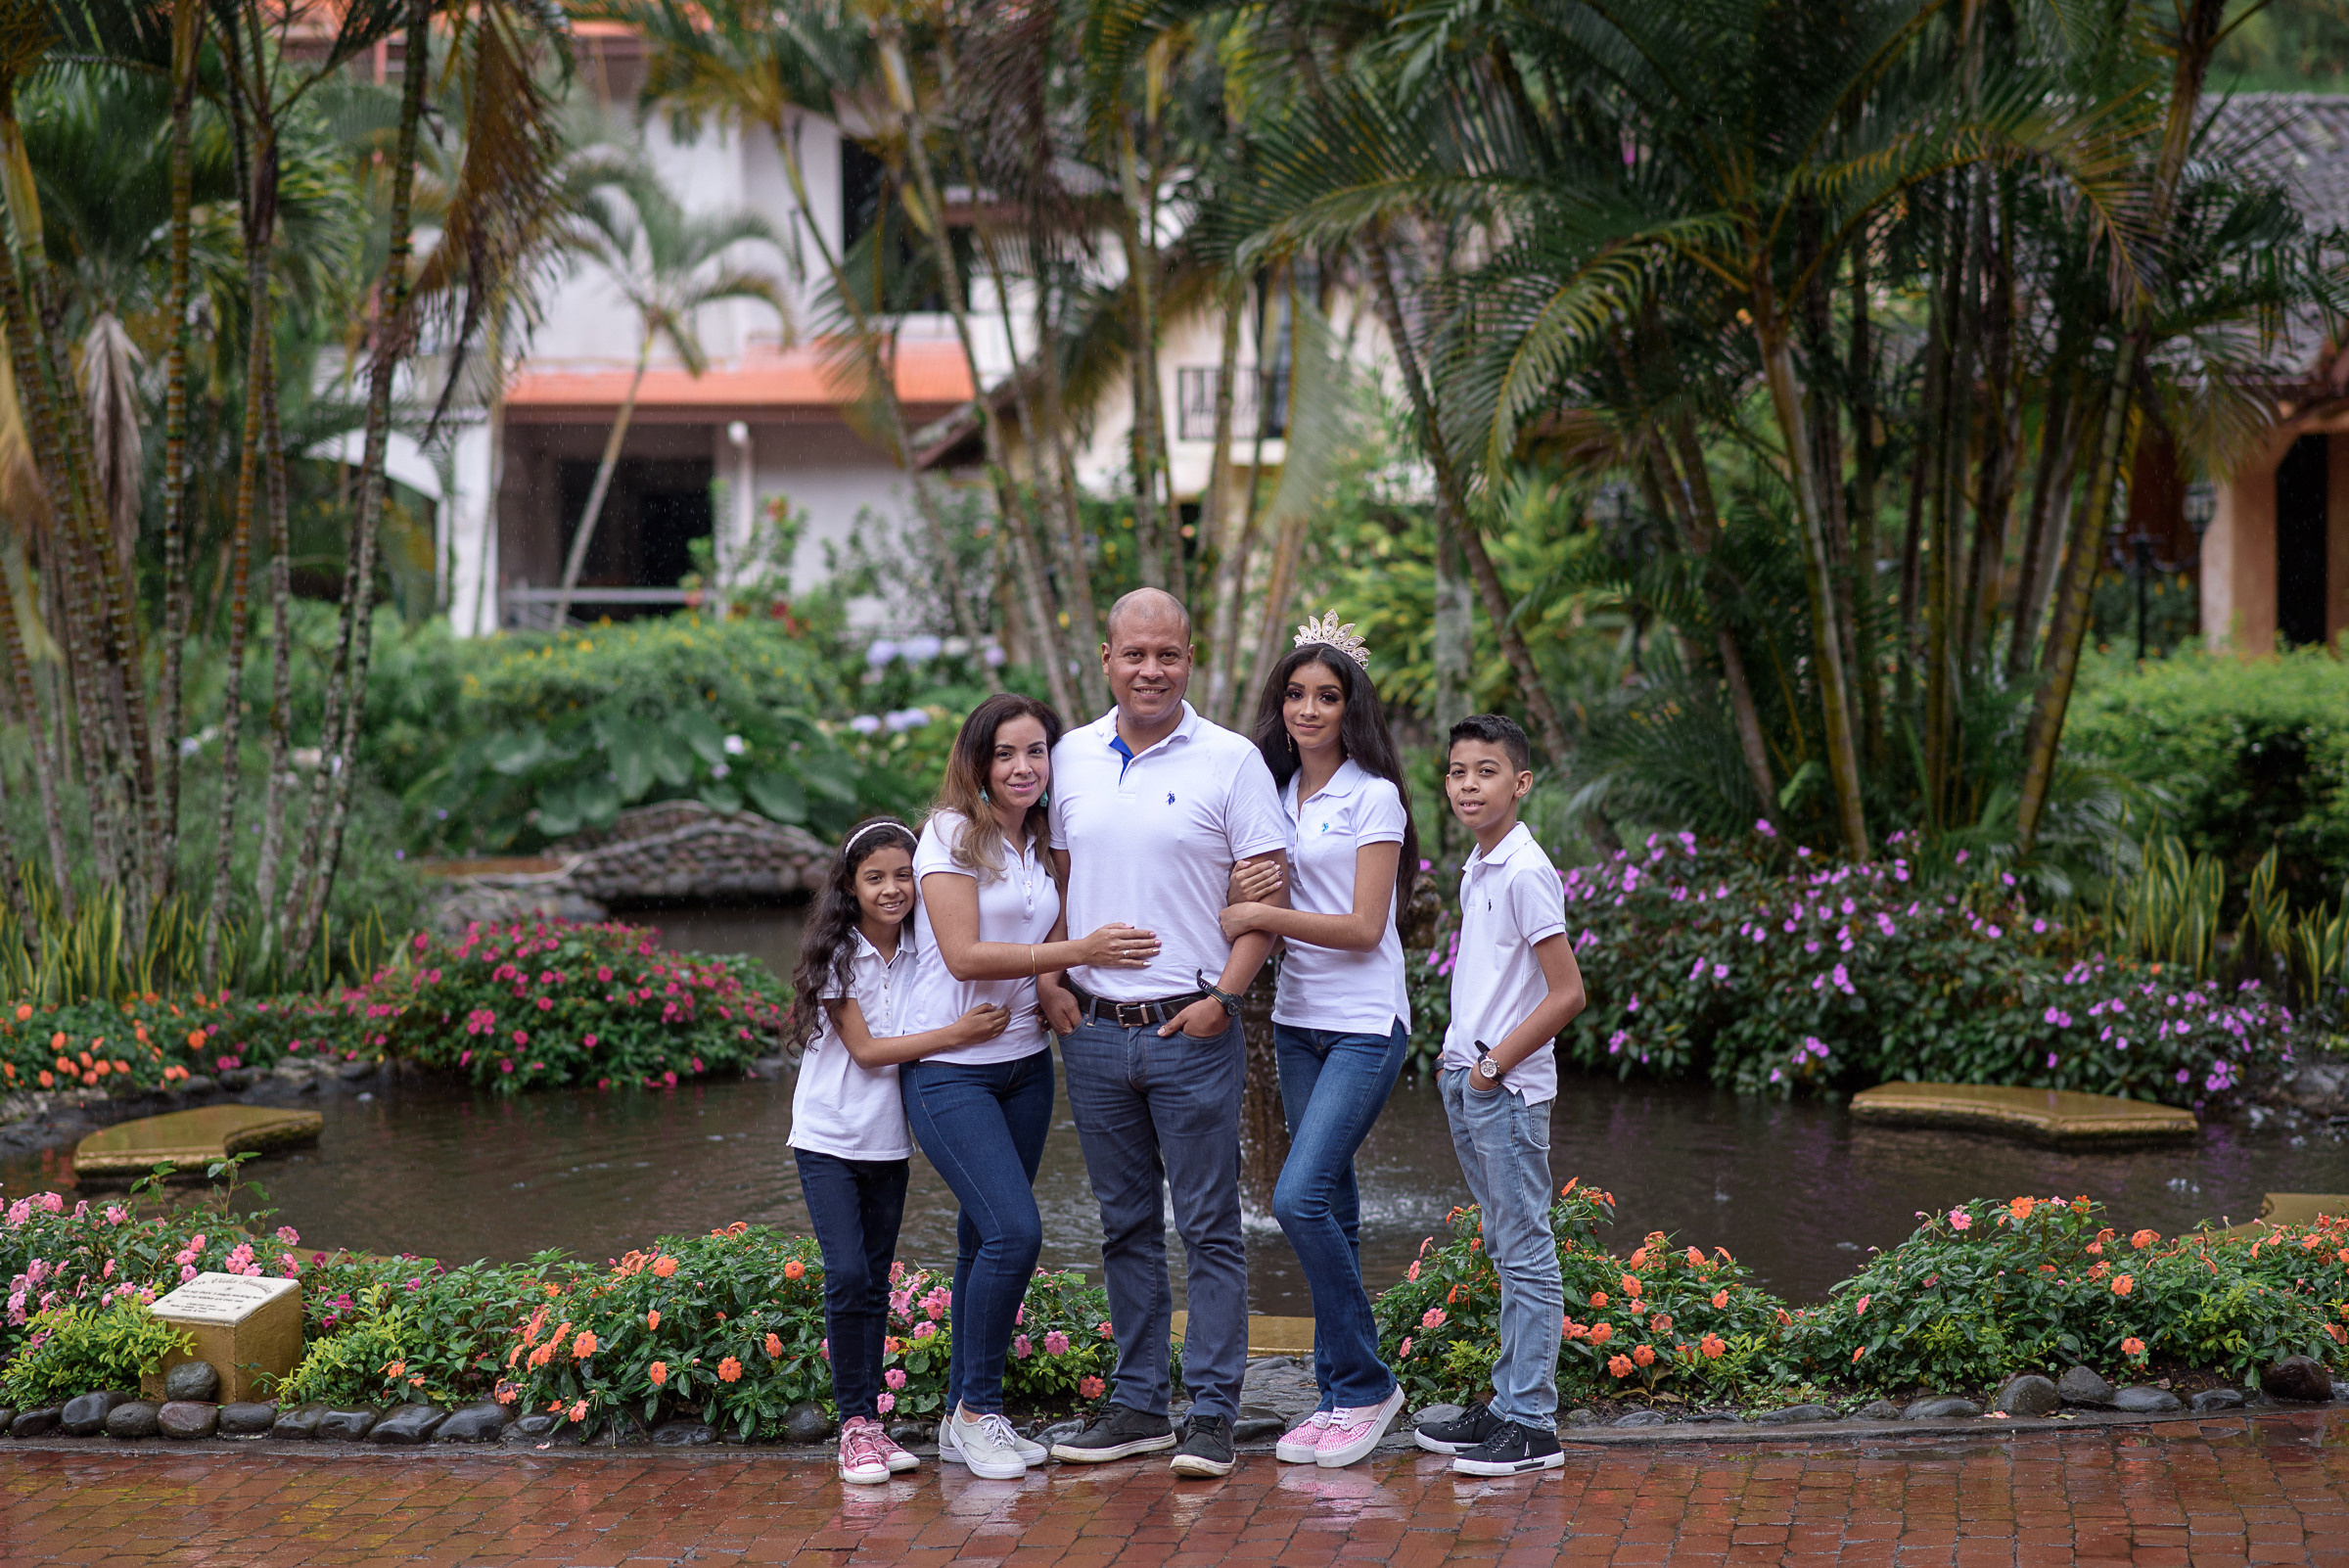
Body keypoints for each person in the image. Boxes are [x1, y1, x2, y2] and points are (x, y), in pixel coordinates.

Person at [1041, 587, 1291, 1480]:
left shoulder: (1233, 762)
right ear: (1105, 658)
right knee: (1125, 1227)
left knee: (1212, 1227)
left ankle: (1214, 1412)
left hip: (1192, 1026)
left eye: (1169, 655)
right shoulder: (1066, 758)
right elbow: (1051, 883)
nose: (1152, 670)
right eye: (1135, 654)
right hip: (1097, 1031)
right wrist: (1046, 976)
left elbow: (1266, 899)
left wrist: (1224, 996)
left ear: (1192, 658)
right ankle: (1141, 1404)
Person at [899, 693, 1161, 1481]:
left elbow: (1041, 922)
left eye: (1036, 752)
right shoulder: (950, 835)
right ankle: (979, 1412)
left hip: (1022, 1065)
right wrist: (1080, 952)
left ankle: (962, 1419)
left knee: (983, 1238)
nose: (1023, 768)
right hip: (952, 1070)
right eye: (1006, 754)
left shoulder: (1040, 839)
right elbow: (965, 954)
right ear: (978, 763)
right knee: (1017, 1232)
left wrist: (1052, 978)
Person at [1217, 614, 1417, 1468]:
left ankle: (1367, 1385)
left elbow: (1368, 927)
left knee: (1294, 1199)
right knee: (1332, 1202)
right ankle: (1341, 1393)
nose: (1308, 709)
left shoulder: (1374, 796)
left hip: (1367, 1025)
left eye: (1326, 696)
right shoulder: (1267, 792)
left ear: (1350, 708)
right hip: (1297, 1023)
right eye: (1295, 694)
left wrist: (1261, 910)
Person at [785, 816, 1013, 1486]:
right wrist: (959, 1034)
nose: (892, 889)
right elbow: (866, 1050)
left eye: (903, 876)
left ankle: (875, 1429)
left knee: (877, 1281)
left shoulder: (924, 947)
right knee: (849, 1274)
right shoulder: (837, 955)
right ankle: (854, 1427)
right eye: (875, 878)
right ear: (850, 888)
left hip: (888, 1142)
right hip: (828, 1136)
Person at [1410, 715, 1587, 1476]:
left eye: (1486, 772)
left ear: (1520, 783)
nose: (1468, 785)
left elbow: (1567, 992)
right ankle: (1509, 1403)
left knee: (1526, 1250)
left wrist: (1489, 1069)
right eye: (1457, 772)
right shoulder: (1482, 865)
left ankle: (1534, 1425)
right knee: (1505, 1248)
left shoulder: (1522, 870)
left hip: (1505, 1087)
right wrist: (1463, 1072)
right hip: (1474, 1080)